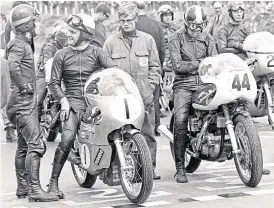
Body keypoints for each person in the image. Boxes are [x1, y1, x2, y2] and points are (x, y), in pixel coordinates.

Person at [47, 13, 114, 199]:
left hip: (95, 101)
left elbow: (113, 73)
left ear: (85, 34)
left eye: (73, 32)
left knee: (116, 130)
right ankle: (53, 184)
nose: (68, 34)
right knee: (67, 139)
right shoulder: (61, 54)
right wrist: (63, 100)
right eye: (68, 31)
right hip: (72, 102)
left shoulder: (98, 52)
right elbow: (53, 83)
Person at [5, 4, 58, 202]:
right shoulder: (19, 45)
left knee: (23, 146)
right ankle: (34, 190)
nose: (36, 24)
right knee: (35, 145)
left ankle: (23, 187)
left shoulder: (22, 43)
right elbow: (12, 66)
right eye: (33, 21)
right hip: (23, 103)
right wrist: (24, 86)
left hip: (20, 103)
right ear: (26, 25)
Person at [103, 2, 161, 180]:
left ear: (136, 19)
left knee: (147, 135)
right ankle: (116, 169)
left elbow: (155, 67)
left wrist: (150, 87)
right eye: (122, 20)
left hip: (144, 97)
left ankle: (149, 170)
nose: (125, 23)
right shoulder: (111, 42)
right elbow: (105, 71)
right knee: (116, 135)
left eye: (129, 20)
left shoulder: (147, 40)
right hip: (119, 98)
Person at [217, 1, 270, 175]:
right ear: (230, 12)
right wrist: (239, 46)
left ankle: (255, 161)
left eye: (241, 11)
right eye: (235, 11)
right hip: (230, 70)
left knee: (246, 120)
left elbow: (252, 47)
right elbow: (220, 48)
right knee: (230, 113)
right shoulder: (223, 29)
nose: (239, 14)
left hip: (245, 70)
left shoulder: (246, 28)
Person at [169, 5, 217, 183]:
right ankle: (180, 168)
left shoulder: (208, 38)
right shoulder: (175, 37)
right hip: (184, 84)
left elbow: (215, 61)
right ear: (186, 23)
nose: (197, 29)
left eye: (201, 25)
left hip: (206, 83)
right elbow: (178, 66)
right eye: (193, 26)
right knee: (180, 119)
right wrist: (201, 63)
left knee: (230, 105)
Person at [134, 1, 166, 137]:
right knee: (154, 98)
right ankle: (156, 126)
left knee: (138, 99)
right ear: (145, 8)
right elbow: (162, 48)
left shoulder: (132, 23)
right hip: (153, 65)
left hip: (136, 68)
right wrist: (159, 66)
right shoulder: (156, 24)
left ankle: (140, 128)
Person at [1, 1, 31, 143]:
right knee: (10, 93)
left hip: (9, 62)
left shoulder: (10, 25)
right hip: (12, 63)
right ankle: (11, 127)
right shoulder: (15, 27)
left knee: (8, 93)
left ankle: (12, 127)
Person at [36, 21, 68, 121]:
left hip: (60, 74)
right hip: (44, 74)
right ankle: (35, 127)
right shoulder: (49, 47)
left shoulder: (67, 48)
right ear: (58, 39)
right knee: (38, 99)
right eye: (64, 41)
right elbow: (48, 65)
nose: (66, 43)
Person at [158, 4, 180, 114]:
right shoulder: (158, 29)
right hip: (163, 61)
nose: (168, 17)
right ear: (161, 17)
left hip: (175, 61)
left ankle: (173, 104)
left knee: (175, 84)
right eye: (165, 15)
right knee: (164, 85)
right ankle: (162, 105)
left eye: (169, 15)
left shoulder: (176, 28)